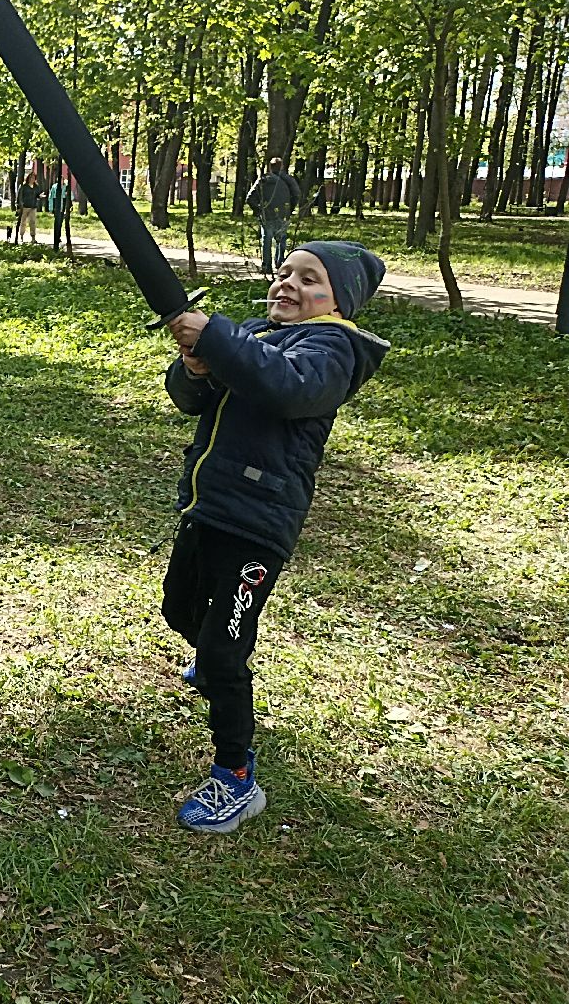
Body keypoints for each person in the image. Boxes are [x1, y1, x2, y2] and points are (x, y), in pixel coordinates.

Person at [161, 241, 389, 834]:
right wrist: (195, 366)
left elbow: (286, 389)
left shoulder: (334, 347)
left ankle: (236, 778)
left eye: (309, 279)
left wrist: (217, 338)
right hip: (210, 506)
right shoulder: (258, 337)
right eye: (284, 271)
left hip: (259, 526)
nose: (287, 283)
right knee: (179, 610)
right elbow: (192, 402)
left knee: (222, 648)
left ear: (340, 302)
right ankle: (216, 661)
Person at [245, 156, 301, 276]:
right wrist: (289, 209)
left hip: (267, 215)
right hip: (283, 214)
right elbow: (296, 194)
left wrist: (259, 210)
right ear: (281, 166)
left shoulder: (263, 180)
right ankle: (280, 263)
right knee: (281, 239)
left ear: (270, 167)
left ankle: (266, 266)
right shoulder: (288, 180)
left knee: (266, 240)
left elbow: (249, 198)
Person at [15, 169, 45, 244]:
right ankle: (21, 236)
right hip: (24, 207)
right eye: (31, 177)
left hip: (33, 207)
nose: (32, 179)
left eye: (34, 178)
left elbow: (37, 195)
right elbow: (19, 197)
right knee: (23, 222)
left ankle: (33, 237)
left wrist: (40, 196)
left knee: (32, 222)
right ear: (28, 178)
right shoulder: (23, 186)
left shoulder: (36, 187)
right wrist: (19, 205)